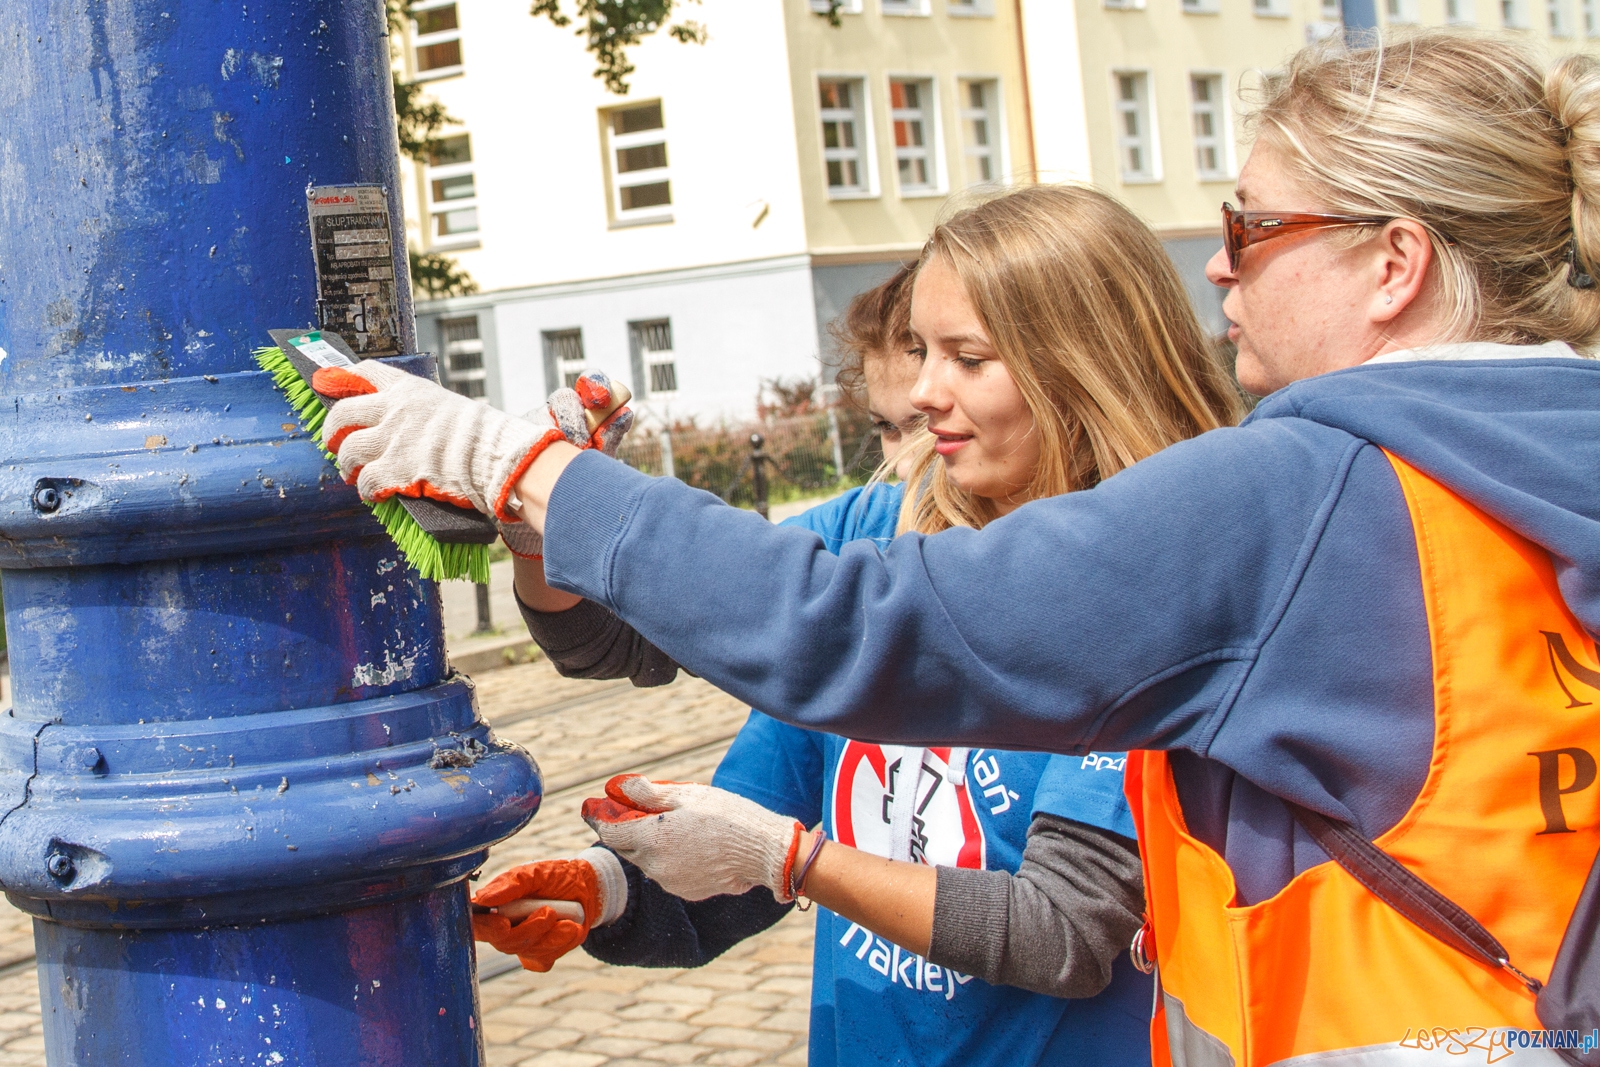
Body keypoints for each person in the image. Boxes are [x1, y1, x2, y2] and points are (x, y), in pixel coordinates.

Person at [316, 30, 1600, 1063]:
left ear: (1394, 262)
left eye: (1252, 228)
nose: (1219, 266)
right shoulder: (1532, 462)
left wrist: (525, 466)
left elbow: (844, 633)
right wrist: (546, 540)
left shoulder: (1293, 492)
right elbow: (685, 634)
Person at [474, 193, 1239, 1067]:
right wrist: (610, 887)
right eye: (921, 355)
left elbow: (1060, 930)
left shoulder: (1151, 583)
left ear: (1083, 365)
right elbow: (622, 644)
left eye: (966, 358)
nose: (924, 393)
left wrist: (792, 859)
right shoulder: (879, 525)